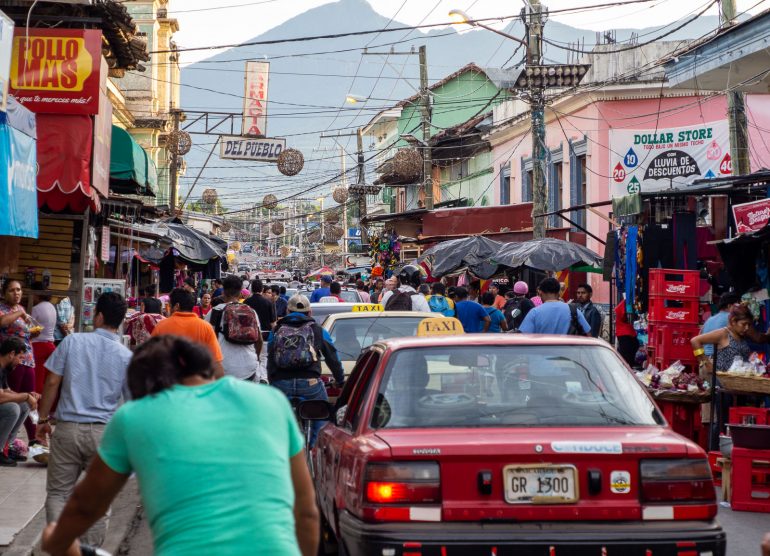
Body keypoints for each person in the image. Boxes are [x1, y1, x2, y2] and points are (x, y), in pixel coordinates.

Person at [41, 335, 320, 556]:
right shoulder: (270, 401)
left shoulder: (135, 416)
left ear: (147, 389)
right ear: (207, 367)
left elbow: (85, 507)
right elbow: (306, 513)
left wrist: (55, 542)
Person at [36, 292, 132, 547]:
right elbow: (132, 404)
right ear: (120, 321)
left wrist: (43, 419)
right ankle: (88, 551)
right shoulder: (126, 357)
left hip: (67, 430)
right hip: (104, 436)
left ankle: (63, 548)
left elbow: (52, 381)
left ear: (98, 317)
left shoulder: (72, 342)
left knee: (58, 493)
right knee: (98, 501)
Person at [268, 294, 344, 447]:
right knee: (322, 415)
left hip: (281, 384)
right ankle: (315, 448)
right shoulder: (318, 330)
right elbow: (333, 358)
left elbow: (269, 358)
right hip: (310, 386)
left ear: (288, 312)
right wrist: (340, 380)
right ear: (310, 313)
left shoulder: (276, 330)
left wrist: (273, 382)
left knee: (273, 419)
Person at [151, 288, 224, 377]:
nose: (168, 308)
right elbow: (216, 363)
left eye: (170, 305)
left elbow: (151, 360)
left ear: (176, 306)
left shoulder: (161, 326)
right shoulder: (205, 327)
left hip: (169, 383)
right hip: (197, 385)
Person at [0, 279, 38, 444]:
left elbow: (25, 332)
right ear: (4, 293)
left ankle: (33, 438)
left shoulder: (20, 308)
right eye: (12, 290)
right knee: (11, 401)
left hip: (28, 360)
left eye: (19, 290)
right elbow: (2, 322)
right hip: (12, 361)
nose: (16, 293)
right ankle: (6, 443)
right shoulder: (3, 310)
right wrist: (20, 314)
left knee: (30, 399)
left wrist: (32, 334)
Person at [207, 275, 264, 383]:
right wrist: (256, 358)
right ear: (240, 293)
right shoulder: (251, 311)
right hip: (249, 368)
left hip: (223, 369)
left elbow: (206, 341)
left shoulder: (215, 311)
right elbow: (259, 340)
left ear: (223, 292)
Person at [691, 303, 769, 374]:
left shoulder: (742, 335)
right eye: (744, 324)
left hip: (737, 381)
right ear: (733, 321)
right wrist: (706, 363)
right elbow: (695, 341)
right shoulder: (723, 333)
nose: (746, 328)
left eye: (748, 324)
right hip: (721, 381)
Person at [0, 338, 34, 466]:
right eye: (20, 357)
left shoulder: (3, 368)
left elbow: (7, 391)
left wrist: (28, 396)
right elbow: (1, 398)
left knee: (24, 406)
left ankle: (6, 447)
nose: (20, 362)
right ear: (11, 354)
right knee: (12, 408)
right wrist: (25, 396)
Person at [519, 277, 591, 336]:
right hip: (569, 353)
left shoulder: (534, 312)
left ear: (540, 292)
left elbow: (523, 337)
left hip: (542, 352)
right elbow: (589, 335)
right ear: (559, 292)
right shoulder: (573, 311)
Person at [31, 283, 58, 395]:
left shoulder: (36, 308)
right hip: (51, 346)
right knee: (47, 380)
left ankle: (36, 408)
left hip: (38, 347)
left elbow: (33, 330)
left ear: (37, 295)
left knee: (37, 379)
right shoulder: (52, 307)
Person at [699, 292, 740, 357]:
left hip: (706, 358)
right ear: (729, 306)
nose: (738, 309)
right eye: (737, 306)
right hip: (720, 360)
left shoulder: (709, 319)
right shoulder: (731, 318)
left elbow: (699, 337)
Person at [614, 299, 639, 367]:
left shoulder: (623, 305)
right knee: (627, 354)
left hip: (624, 332)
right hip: (624, 333)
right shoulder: (625, 305)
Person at [54, 275, 75, 346]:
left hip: (67, 336)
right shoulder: (60, 299)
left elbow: (72, 315)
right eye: (68, 278)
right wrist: (69, 337)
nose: (70, 280)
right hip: (59, 338)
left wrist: (71, 324)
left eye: (70, 278)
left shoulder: (67, 298)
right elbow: (61, 324)